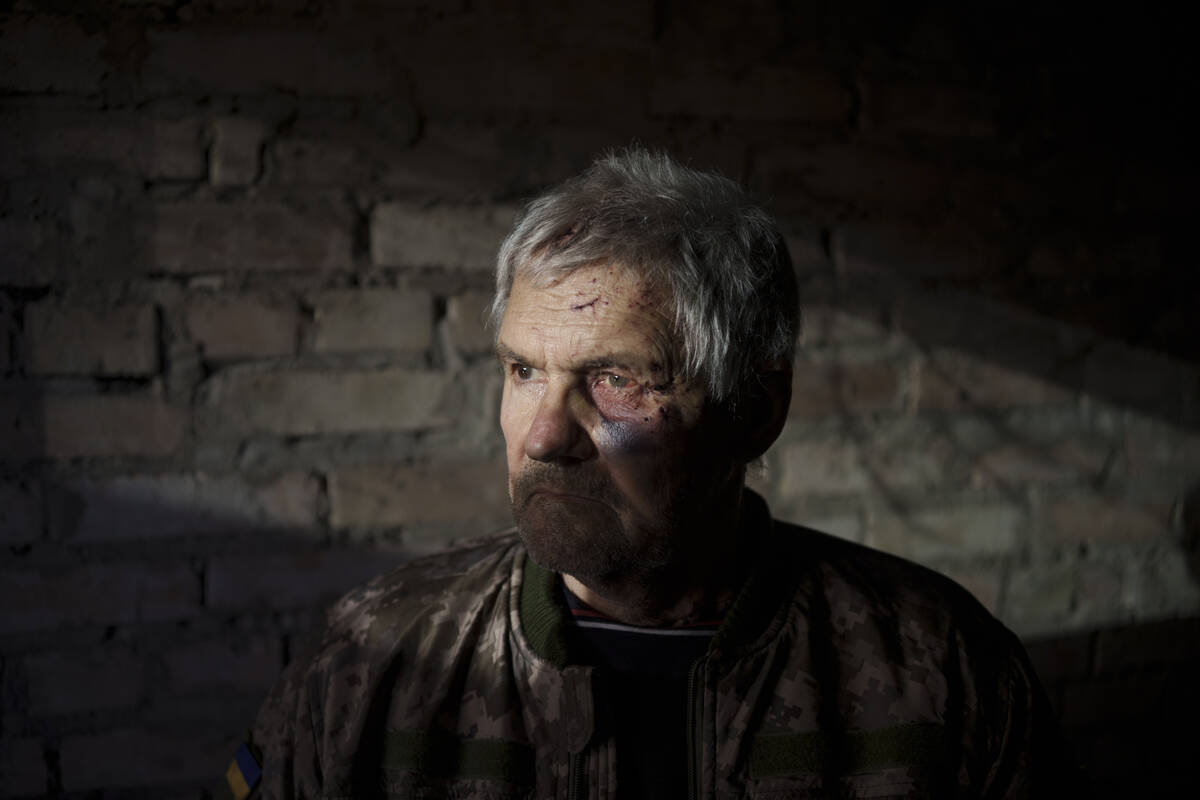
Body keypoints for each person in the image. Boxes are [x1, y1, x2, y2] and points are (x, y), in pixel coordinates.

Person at [220, 149, 1075, 799]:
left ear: (755, 409)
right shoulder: (376, 662)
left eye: (616, 379)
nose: (545, 434)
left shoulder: (941, 673)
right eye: (523, 371)